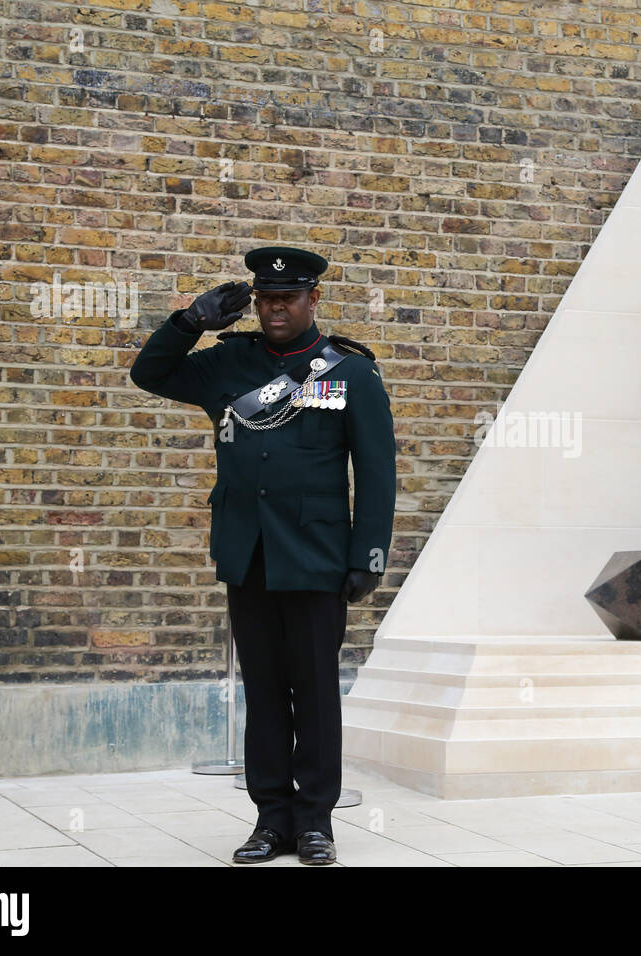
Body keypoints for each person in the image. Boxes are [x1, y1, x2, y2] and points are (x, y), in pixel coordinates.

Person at [129, 246, 396, 865]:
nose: (276, 309)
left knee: (315, 692)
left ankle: (315, 824)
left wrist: (369, 556)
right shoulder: (231, 363)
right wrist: (189, 322)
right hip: (248, 554)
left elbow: (376, 472)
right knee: (266, 692)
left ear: (313, 301)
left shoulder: (348, 374)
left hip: (317, 556)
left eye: (289, 299)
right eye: (267, 299)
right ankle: (270, 821)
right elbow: (148, 375)